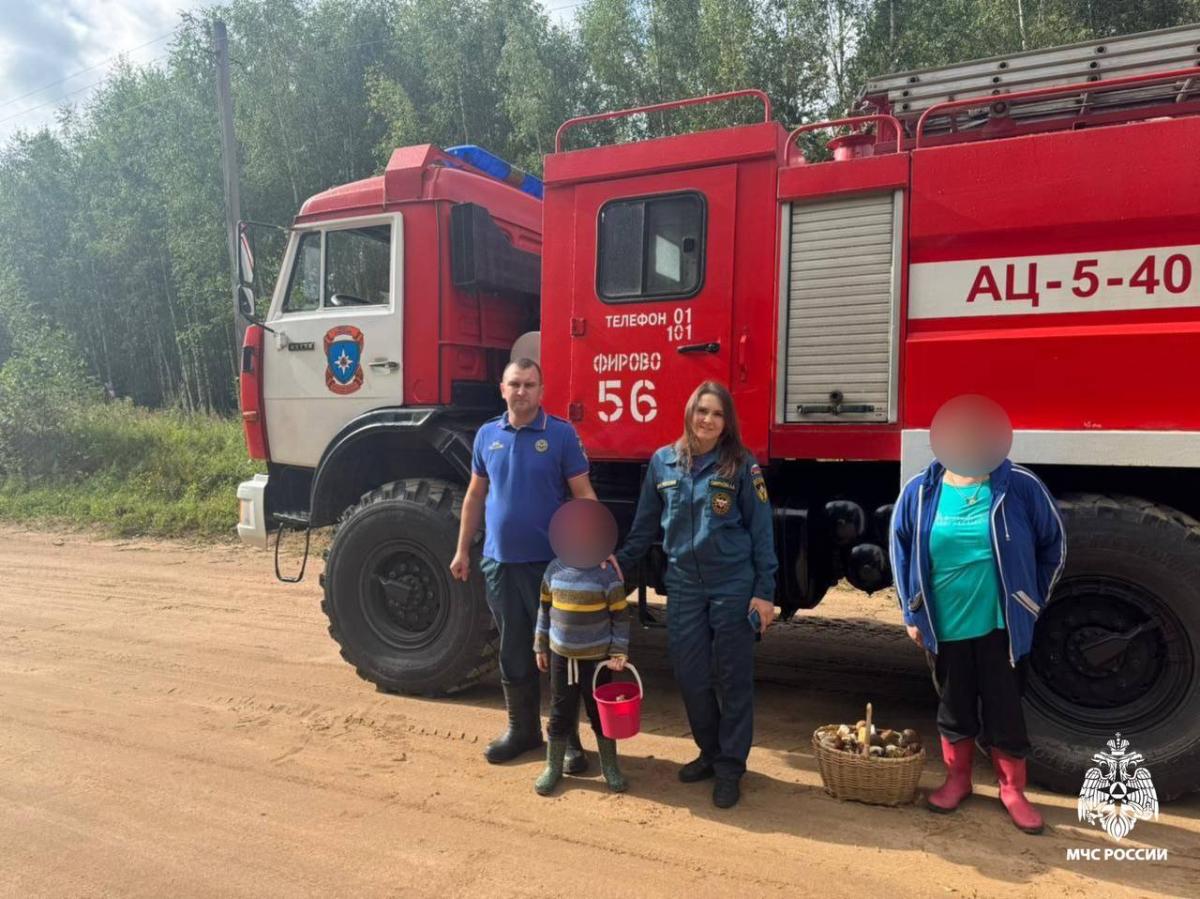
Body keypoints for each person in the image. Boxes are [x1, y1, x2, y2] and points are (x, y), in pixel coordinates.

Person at [889, 395, 1065, 835]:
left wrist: (1031, 601)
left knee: (1005, 707)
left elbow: (1053, 544)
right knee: (955, 704)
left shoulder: (1020, 486)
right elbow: (900, 548)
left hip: (1000, 624)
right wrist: (911, 612)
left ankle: (1012, 791)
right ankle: (958, 781)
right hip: (945, 624)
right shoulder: (920, 490)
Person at [616, 380, 778, 809]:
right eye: (701, 411)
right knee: (689, 675)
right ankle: (709, 751)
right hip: (685, 584)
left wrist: (764, 593)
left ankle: (730, 768)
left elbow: (762, 533)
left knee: (733, 678)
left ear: (727, 424)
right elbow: (645, 525)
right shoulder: (663, 463)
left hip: (731, 585)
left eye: (717, 414)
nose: (707, 419)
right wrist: (618, 562)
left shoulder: (742, 466)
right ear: (689, 413)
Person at [450, 358, 599, 772]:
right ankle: (522, 730)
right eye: (514, 384)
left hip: (549, 567)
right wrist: (463, 550)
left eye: (529, 384)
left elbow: (583, 493)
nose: (521, 392)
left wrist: (600, 545)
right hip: (499, 563)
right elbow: (475, 496)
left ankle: (566, 738)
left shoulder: (561, 435)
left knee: (558, 652)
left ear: (541, 390)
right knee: (513, 646)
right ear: (502, 389)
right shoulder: (486, 435)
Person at [533, 499, 631, 796]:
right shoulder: (553, 571)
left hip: (598, 661)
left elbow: (620, 616)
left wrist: (619, 651)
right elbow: (544, 609)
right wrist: (540, 645)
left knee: (601, 714)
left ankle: (610, 767)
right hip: (562, 657)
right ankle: (553, 766)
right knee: (560, 712)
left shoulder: (606, 576)